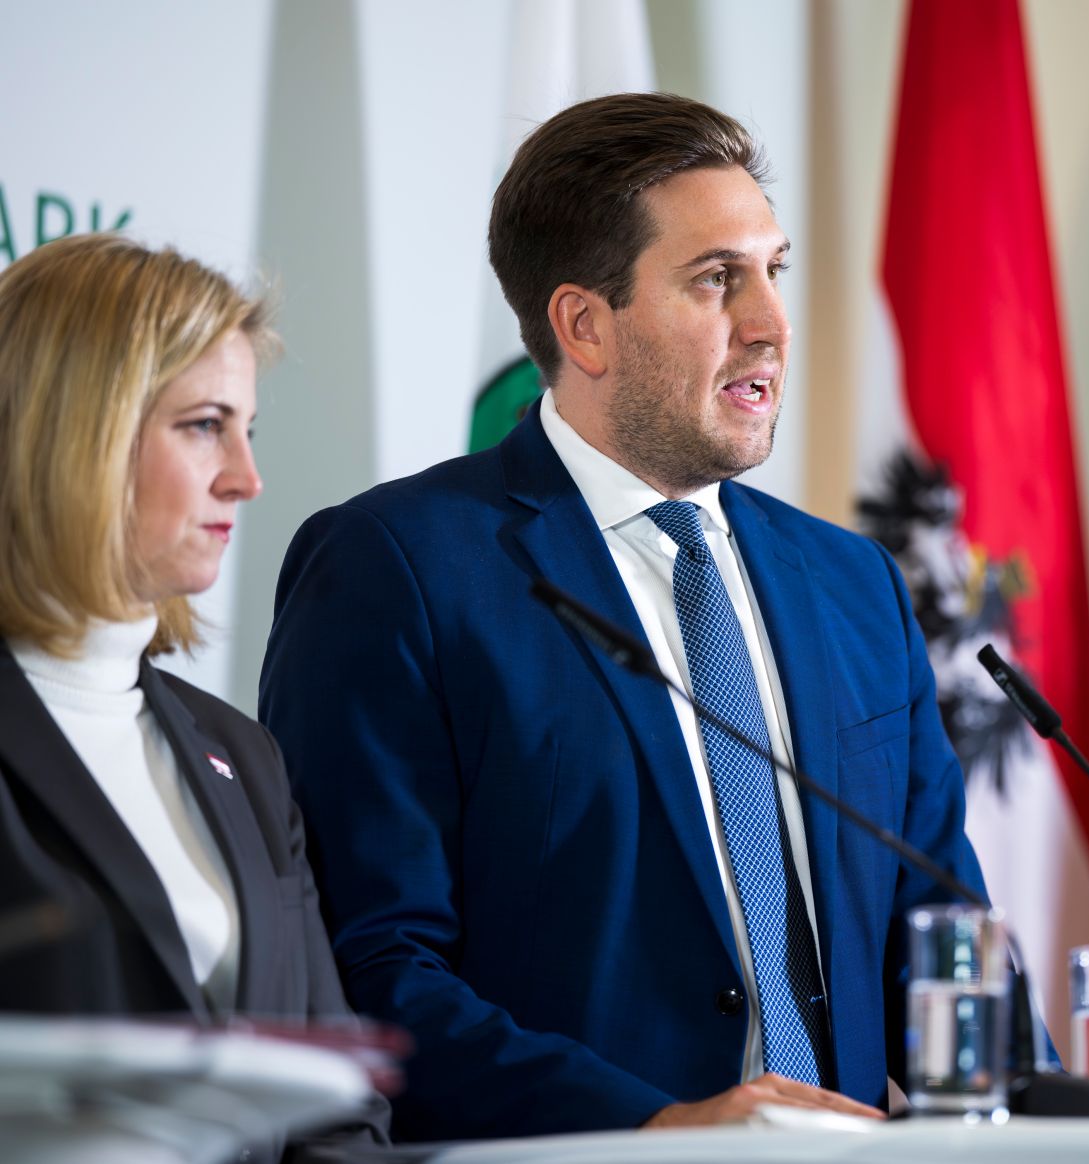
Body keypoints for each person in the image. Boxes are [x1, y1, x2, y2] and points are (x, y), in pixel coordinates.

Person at [258, 91, 990, 1140]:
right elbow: (366, 970)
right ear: (584, 326)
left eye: (773, 271)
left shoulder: (854, 584)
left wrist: (1053, 1122)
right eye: (716, 279)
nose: (771, 325)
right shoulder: (400, 568)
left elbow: (944, 934)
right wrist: (656, 1129)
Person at [0, 233, 389, 1155]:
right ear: (75, 431)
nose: (246, 480)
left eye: (247, 430)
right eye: (205, 425)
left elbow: (336, 1106)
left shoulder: (241, 755)